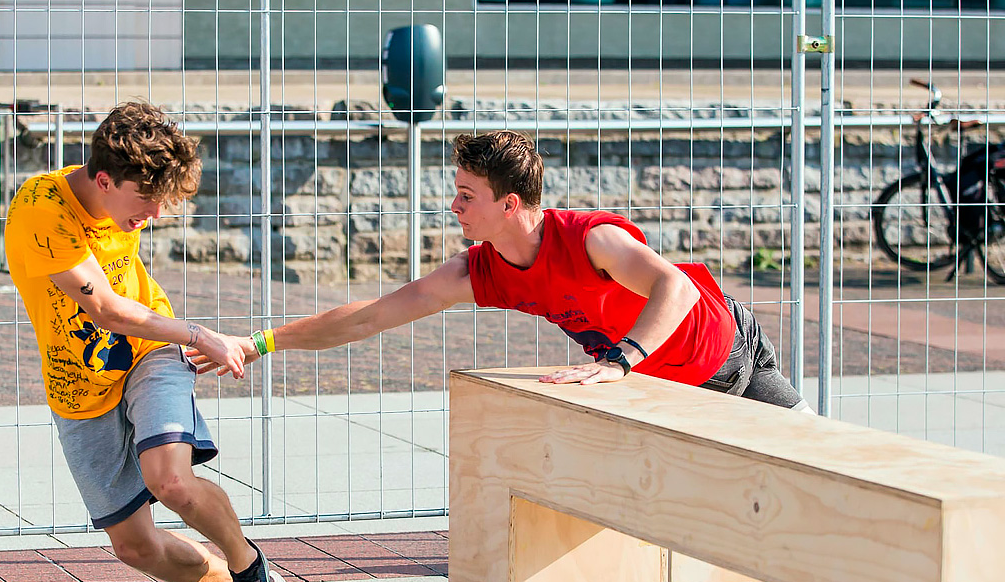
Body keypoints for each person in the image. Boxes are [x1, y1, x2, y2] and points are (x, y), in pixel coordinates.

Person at [197, 130, 811, 413]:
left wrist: (619, 361)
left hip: (727, 356)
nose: (454, 206)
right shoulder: (480, 272)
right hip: (661, 388)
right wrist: (260, 343)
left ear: (509, 204)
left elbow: (673, 285)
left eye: (467, 196)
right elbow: (372, 316)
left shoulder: (590, 239)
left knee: (823, 479)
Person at [4, 100, 286, 582]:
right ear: (104, 181)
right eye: (147, 199)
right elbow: (106, 308)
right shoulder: (42, 211)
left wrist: (182, 336)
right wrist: (203, 335)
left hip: (150, 352)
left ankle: (247, 566)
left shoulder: (119, 200)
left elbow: (127, 311)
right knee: (135, 547)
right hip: (78, 385)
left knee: (171, 481)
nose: (155, 214)